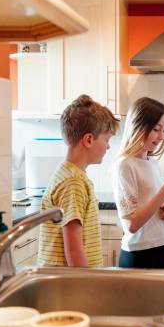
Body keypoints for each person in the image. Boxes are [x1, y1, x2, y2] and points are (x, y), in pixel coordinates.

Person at [37, 95, 119, 268]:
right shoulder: (73, 182)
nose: (108, 147)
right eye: (107, 139)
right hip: (68, 286)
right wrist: (87, 288)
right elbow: (73, 251)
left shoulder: (71, 175)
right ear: (88, 140)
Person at [113, 97, 164, 269]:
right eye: (156, 129)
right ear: (138, 126)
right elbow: (131, 225)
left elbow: (155, 201)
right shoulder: (125, 165)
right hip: (138, 255)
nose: (161, 136)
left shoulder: (152, 163)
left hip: (161, 248)